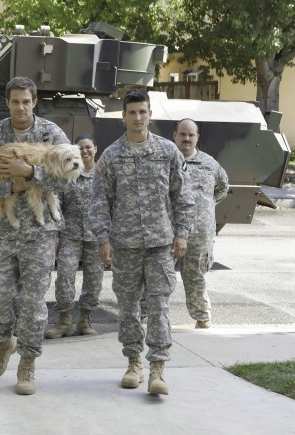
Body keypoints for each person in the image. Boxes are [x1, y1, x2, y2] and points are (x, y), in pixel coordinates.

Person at [0, 76, 72, 395]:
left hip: (39, 232)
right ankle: (3, 341)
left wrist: (32, 174)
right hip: (0, 230)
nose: (21, 107)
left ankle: (27, 363)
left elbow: (70, 178)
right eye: (15, 101)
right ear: (7, 103)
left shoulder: (52, 134)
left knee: (32, 302)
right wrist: (7, 186)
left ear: (34, 102)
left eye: (26, 101)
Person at [89, 89, 195, 396]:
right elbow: (99, 202)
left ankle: (158, 368)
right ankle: (134, 362)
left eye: (143, 112)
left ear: (150, 114)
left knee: (160, 306)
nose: (138, 117)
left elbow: (182, 196)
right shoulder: (111, 156)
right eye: (132, 112)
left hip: (162, 243)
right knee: (127, 307)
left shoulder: (167, 151)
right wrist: (103, 239)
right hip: (125, 245)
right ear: (124, 116)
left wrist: (182, 233)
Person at [46, 133, 104, 339]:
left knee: (94, 280)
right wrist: (55, 237)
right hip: (70, 235)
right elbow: (56, 205)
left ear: (95, 149)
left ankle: (85, 320)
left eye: (88, 147)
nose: (85, 151)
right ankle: (64, 321)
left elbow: (113, 204)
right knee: (64, 277)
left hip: (96, 237)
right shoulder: (67, 173)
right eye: (80, 148)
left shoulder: (104, 173)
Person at [173, 118, 228, 328]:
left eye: (191, 135)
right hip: (169, 230)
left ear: (197, 137)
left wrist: (205, 207)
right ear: (175, 136)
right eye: (182, 134)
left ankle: (202, 318)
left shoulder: (209, 164)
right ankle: (146, 317)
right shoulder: (166, 160)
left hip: (199, 234)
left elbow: (222, 187)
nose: (186, 138)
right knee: (158, 278)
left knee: (196, 277)